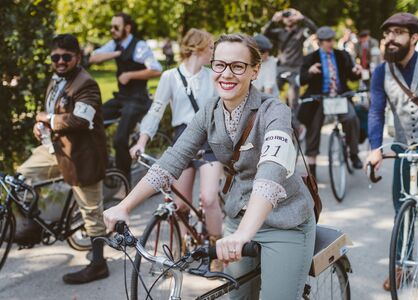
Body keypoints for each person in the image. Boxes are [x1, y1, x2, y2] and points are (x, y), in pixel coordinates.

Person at [104, 33, 316, 300]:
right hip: (239, 217)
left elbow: (270, 173)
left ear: (255, 71)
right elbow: (174, 158)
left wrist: (242, 236)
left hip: (284, 220)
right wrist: (125, 205)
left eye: (238, 66)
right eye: (220, 65)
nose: (227, 74)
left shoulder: (274, 111)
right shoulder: (210, 110)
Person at [364, 12, 418, 291]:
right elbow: (376, 111)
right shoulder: (381, 71)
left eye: (398, 33)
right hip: (405, 145)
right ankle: (401, 264)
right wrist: (375, 148)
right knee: (402, 205)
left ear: (415, 37)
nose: (390, 38)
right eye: (387, 33)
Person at [15, 34, 109, 284]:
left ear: (77, 57)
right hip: (56, 148)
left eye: (66, 57)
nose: (60, 61)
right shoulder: (57, 80)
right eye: (55, 56)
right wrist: (41, 127)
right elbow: (53, 111)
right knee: (22, 178)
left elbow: (81, 119)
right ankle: (33, 225)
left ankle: (99, 264)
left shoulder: (86, 84)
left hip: (83, 155)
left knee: (92, 213)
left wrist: (47, 119)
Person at [129, 28, 224, 270]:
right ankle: (183, 244)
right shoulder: (170, 77)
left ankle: (216, 251)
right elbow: (156, 110)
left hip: (209, 140)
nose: (214, 51)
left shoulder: (212, 76)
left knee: (209, 198)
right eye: (211, 47)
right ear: (198, 48)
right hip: (182, 140)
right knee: (180, 205)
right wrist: (142, 141)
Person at [89, 12, 162, 180]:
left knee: (119, 139)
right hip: (121, 98)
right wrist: (116, 53)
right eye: (111, 27)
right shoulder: (115, 44)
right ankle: (107, 167)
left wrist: (130, 75)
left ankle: (124, 181)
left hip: (138, 100)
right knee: (92, 120)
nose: (112, 30)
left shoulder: (140, 46)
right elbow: (94, 57)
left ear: (127, 28)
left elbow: (156, 70)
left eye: (116, 27)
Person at [299, 26, 364, 178]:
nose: (331, 43)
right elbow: (302, 80)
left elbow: (351, 76)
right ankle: (312, 168)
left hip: (339, 96)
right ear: (320, 42)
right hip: (319, 98)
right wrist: (310, 72)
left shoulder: (342, 55)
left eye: (332, 40)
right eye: (327, 41)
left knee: (351, 118)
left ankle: (353, 153)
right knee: (313, 128)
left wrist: (357, 72)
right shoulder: (311, 58)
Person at [262, 8, 317, 107]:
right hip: (281, 67)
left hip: (296, 69)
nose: (289, 18)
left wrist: (302, 18)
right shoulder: (279, 32)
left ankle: (293, 120)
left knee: (293, 101)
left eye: (291, 15)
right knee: (270, 96)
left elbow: (315, 31)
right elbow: (264, 34)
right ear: (282, 20)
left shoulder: (301, 32)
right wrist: (273, 20)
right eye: (286, 16)